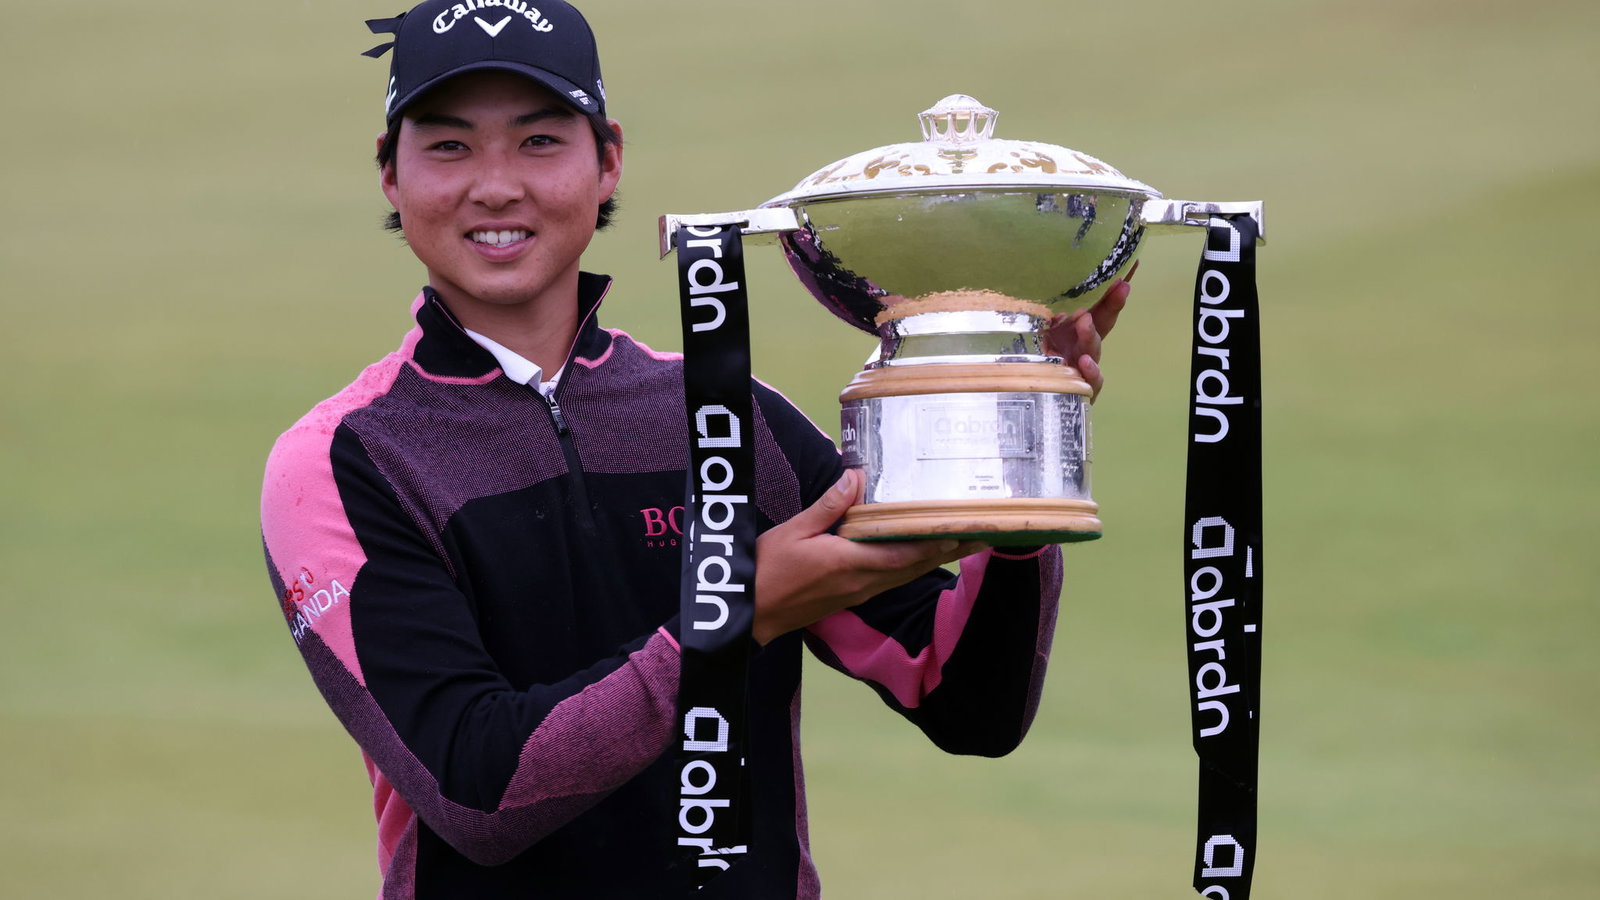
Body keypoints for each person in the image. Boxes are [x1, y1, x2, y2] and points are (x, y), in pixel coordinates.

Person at [259, 1, 1132, 896]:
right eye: (448, 146)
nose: (494, 186)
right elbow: (478, 792)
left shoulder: (732, 419)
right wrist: (736, 619)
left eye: (538, 142)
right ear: (389, 175)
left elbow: (965, 701)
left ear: (608, 162)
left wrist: (1020, 453)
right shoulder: (344, 458)